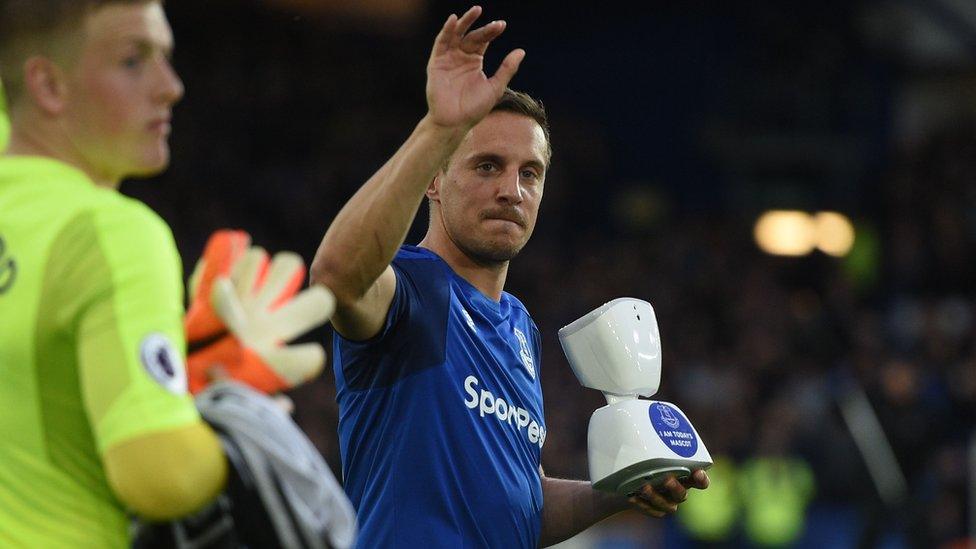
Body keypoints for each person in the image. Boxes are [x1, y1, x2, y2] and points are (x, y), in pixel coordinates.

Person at [311, 6, 710, 548]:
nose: (511, 190)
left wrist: (620, 488)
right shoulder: (410, 287)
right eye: (486, 165)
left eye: (530, 173)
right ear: (434, 179)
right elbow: (337, 278)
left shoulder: (520, 327)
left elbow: (521, 508)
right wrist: (438, 128)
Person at [0, 1, 343, 546]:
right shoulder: (111, 233)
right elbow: (157, 473)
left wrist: (169, 385)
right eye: (133, 60)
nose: (170, 86)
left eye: (166, 57)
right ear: (47, 83)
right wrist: (244, 432)